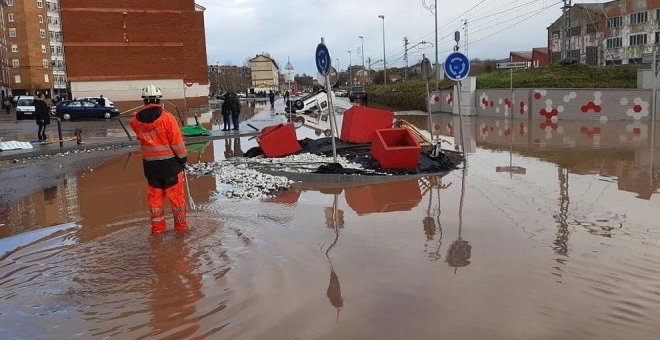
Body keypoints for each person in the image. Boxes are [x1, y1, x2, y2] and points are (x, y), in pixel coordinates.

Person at [129, 84, 189, 234]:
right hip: (171, 168)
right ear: (159, 100)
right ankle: (181, 231)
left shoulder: (135, 121)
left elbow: (140, 134)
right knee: (177, 201)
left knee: (155, 203)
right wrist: (183, 159)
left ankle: (157, 232)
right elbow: (177, 143)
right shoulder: (168, 118)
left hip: (151, 170)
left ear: (144, 101)